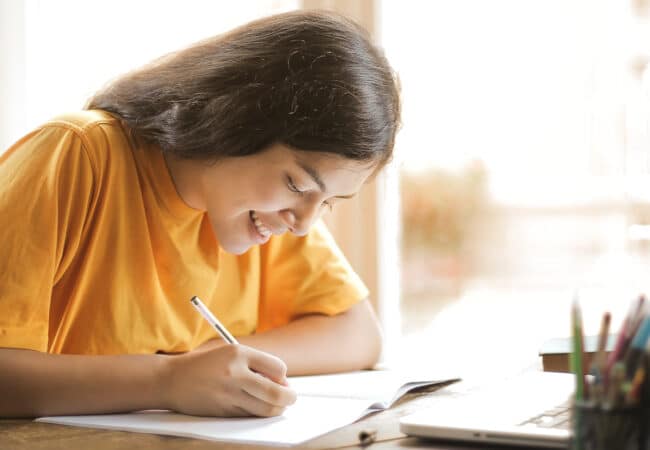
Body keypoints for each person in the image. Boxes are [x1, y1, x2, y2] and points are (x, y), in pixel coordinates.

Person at [0, 10, 400, 419]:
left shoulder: (264, 214)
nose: (303, 224)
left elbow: (359, 334)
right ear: (235, 120)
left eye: (328, 201)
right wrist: (166, 379)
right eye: (297, 184)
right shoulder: (77, 154)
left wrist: (213, 362)